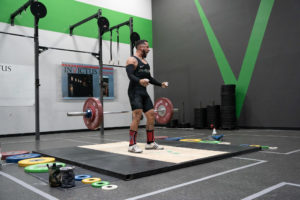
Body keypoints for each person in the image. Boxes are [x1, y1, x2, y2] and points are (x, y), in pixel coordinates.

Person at [126, 40, 168, 153]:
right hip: (134, 91)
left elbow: (149, 78)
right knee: (137, 116)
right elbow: (130, 75)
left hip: (143, 92)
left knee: (151, 115)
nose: (149, 49)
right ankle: (132, 145)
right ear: (141, 47)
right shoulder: (132, 60)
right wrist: (139, 81)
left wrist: (160, 84)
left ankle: (150, 143)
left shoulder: (145, 62)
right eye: (147, 47)